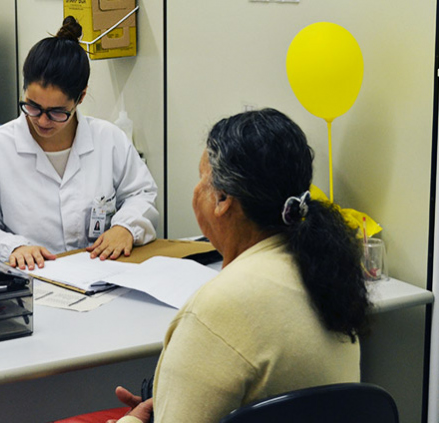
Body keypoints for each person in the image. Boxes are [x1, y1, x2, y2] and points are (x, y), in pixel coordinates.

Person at [108, 108, 370, 422]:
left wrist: (133, 420)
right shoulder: (326, 272)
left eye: (202, 178)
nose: (196, 190)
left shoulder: (216, 308)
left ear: (222, 200)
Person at [0, 16, 158, 270]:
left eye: (57, 112)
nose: (42, 120)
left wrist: (125, 227)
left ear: (80, 97)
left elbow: (141, 193)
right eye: (32, 106)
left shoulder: (109, 139)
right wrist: (13, 247)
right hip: (28, 281)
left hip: (100, 274)